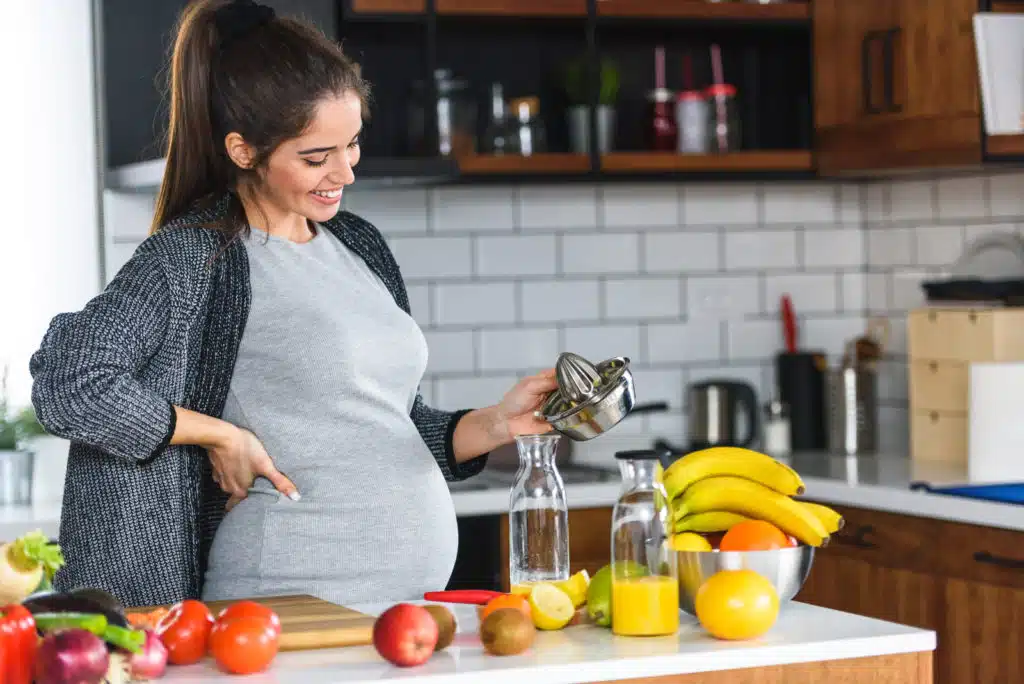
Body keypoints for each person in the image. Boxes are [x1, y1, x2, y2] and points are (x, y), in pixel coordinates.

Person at [29, 0, 557, 608]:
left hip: (400, 612)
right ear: (243, 150)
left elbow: (387, 427)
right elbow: (68, 380)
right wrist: (219, 435)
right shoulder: (194, 257)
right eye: (315, 157)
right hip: (285, 604)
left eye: (352, 144)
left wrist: (497, 423)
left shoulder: (357, 244)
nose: (344, 173)